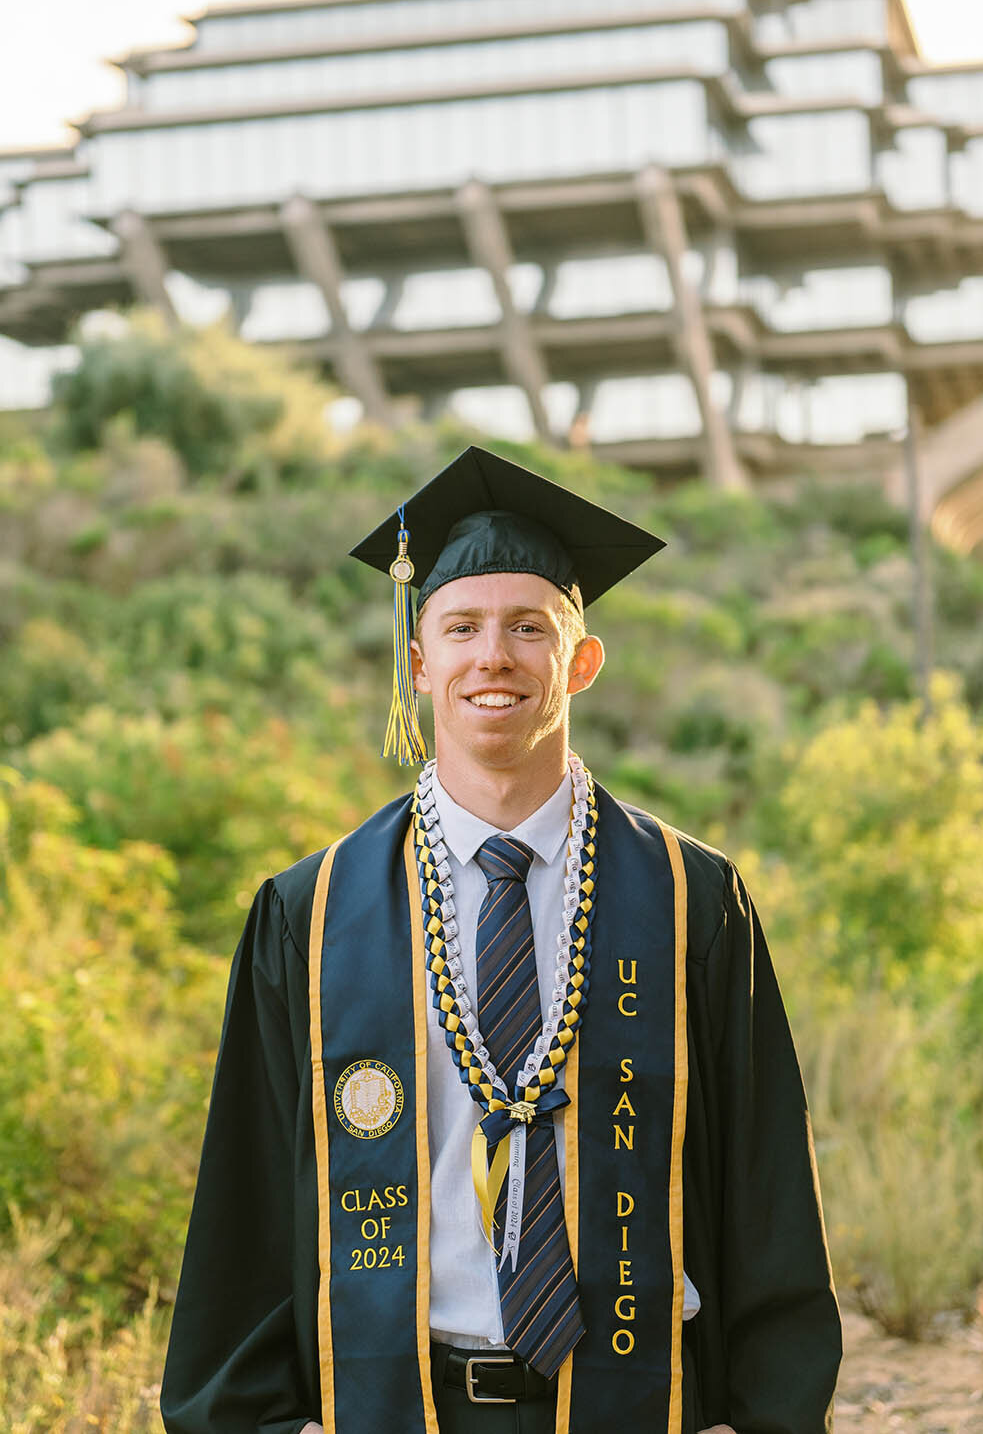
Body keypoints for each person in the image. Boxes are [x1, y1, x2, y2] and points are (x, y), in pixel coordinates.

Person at [161, 445, 841, 1434]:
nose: (494, 657)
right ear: (419, 662)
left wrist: (764, 1419)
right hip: (392, 1404)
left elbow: (766, 1185)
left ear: (581, 660)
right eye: (462, 627)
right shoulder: (311, 914)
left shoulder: (691, 900)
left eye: (530, 628)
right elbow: (247, 1200)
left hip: (643, 1404)